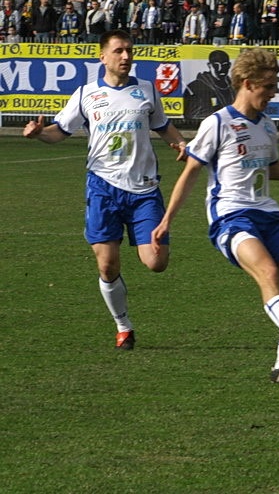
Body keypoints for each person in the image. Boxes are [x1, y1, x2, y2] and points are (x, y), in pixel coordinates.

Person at [150, 47, 279, 383]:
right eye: (268, 86)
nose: (273, 93)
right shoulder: (218, 123)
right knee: (268, 272)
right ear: (246, 83)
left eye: (274, 85)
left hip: (268, 214)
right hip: (231, 216)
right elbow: (191, 171)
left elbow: (273, 170)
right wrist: (167, 219)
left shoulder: (267, 127)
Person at [22, 29, 188, 350]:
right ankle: (123, 326)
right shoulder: (85, 94)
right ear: (103, 58)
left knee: (156, 261)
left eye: (129, 51)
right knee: (107, 265)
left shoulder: (147, 91)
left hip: (143, 190)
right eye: (119, 51)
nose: (126, 57)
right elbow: (60, 132)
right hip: (103, 188)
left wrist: (180, 144)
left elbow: (162, 125)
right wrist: (40, 133)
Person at [182, 48, 235, 118]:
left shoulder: (233, 87)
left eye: (225, 65)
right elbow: (191, 115)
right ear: (209, 65)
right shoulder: (195, 87)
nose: (221, 69)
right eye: (216, 65)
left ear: (229, 65)